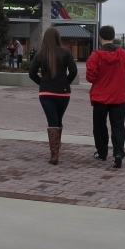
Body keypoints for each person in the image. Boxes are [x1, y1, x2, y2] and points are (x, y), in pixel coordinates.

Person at [86, 25, 125, 168]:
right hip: (118, 96)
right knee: (118, 126)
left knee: (100, 126)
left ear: (100, 38)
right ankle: (118, 153)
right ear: (113, 37)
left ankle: (102, 152)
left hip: (100, 97)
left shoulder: (95, 56)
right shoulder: (124, 54)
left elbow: (91, 77)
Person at [29, 27, 78, 165]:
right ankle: (56, 148)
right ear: (58, 38)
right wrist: (66, 82)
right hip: (63, 92)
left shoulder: (40, 53)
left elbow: (32, 74)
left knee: (53, 121)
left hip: (46, 93)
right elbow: (73, 71)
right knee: (58, 119)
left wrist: (42, 83)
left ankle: (54, 155)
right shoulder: (66, 52)